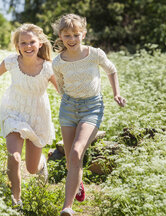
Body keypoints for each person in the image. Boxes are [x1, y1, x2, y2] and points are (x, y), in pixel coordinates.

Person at [51, 14, 126, 216]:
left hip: (92, 107)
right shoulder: (58, 62)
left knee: (76, 152)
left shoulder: (94, 54)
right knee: (70, 159)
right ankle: (78, 181)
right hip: (68, 108)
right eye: (67, 35)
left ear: (83, 34)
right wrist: (69, 100)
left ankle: (67, 207)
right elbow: (61, 85)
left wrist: (116, 93)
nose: (72, 39)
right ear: (60, 36)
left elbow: (112, 70)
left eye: (76, 34)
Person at [0, 23, 58, 208]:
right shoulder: (12, 61)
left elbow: (62, 91)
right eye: (23, 43)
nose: (28, 46)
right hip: (13, 110)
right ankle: (16, 200)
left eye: (32, 42)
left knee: (31, 168)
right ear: (17, 46)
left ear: (39, 44)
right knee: (14, 157)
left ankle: (41, 164)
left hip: (37, 114)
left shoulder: (48, 67)